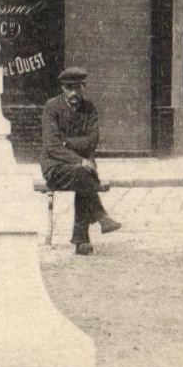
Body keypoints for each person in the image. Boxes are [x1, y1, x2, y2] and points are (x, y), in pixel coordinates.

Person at [40, 67, 123, 255]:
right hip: (55, 167)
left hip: (82, 167)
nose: (74, 92)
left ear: (83, 87)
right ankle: (97, 220)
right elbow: (52, 147)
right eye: (69, 88)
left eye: (78, 87)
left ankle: (82, 241)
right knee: (84, 173)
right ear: (62, 88)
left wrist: (66, 142)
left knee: (82, 175)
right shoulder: (51, 108)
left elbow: (92, 142)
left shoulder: (89, 108)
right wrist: (79, 157)